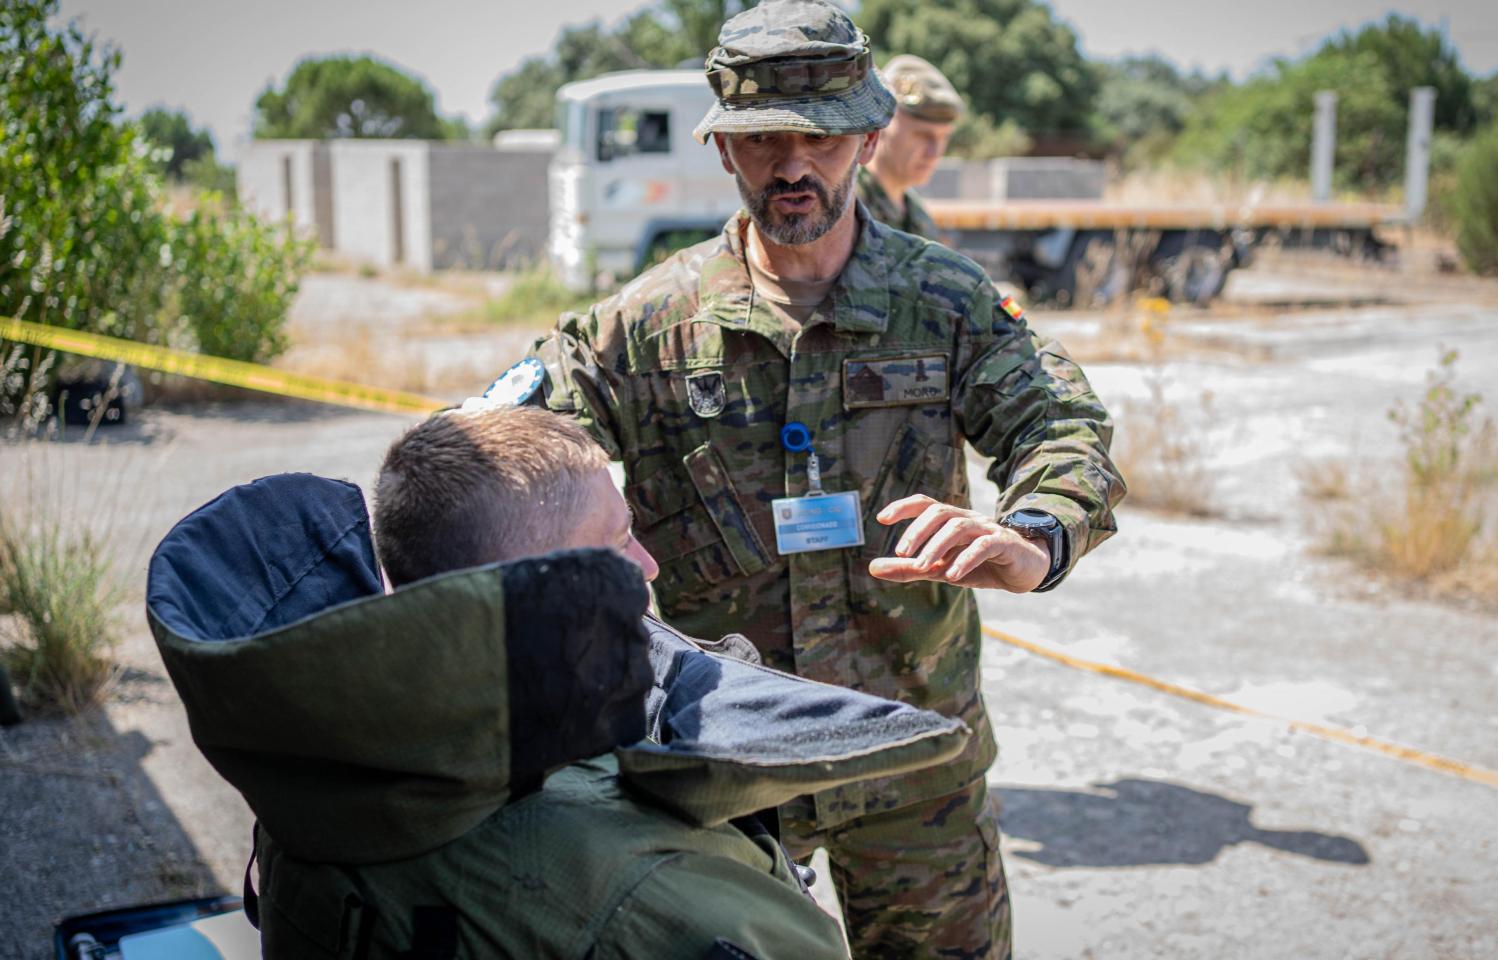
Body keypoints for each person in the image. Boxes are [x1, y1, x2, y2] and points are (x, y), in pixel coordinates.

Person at [530, 2, 1126, 956]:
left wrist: (1036, 535)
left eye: (824, 139)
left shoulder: (946, 301)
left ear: (870, 140)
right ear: (723, 148)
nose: (793, 166)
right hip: (725, 778)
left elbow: (1060, 424)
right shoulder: (641, 326)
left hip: (914, 760)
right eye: (763, 139)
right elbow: (502, 451)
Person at [143, 406, 972, 959]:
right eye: (616, 542)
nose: (648, 565)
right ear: (540, 583)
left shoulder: (330, 749)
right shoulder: (645, 888)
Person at [856, 54, 964, 241]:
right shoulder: (845, 205)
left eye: (944, 137)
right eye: (923, 135)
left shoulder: (916, 215)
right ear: (882, 125)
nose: (934, 153)